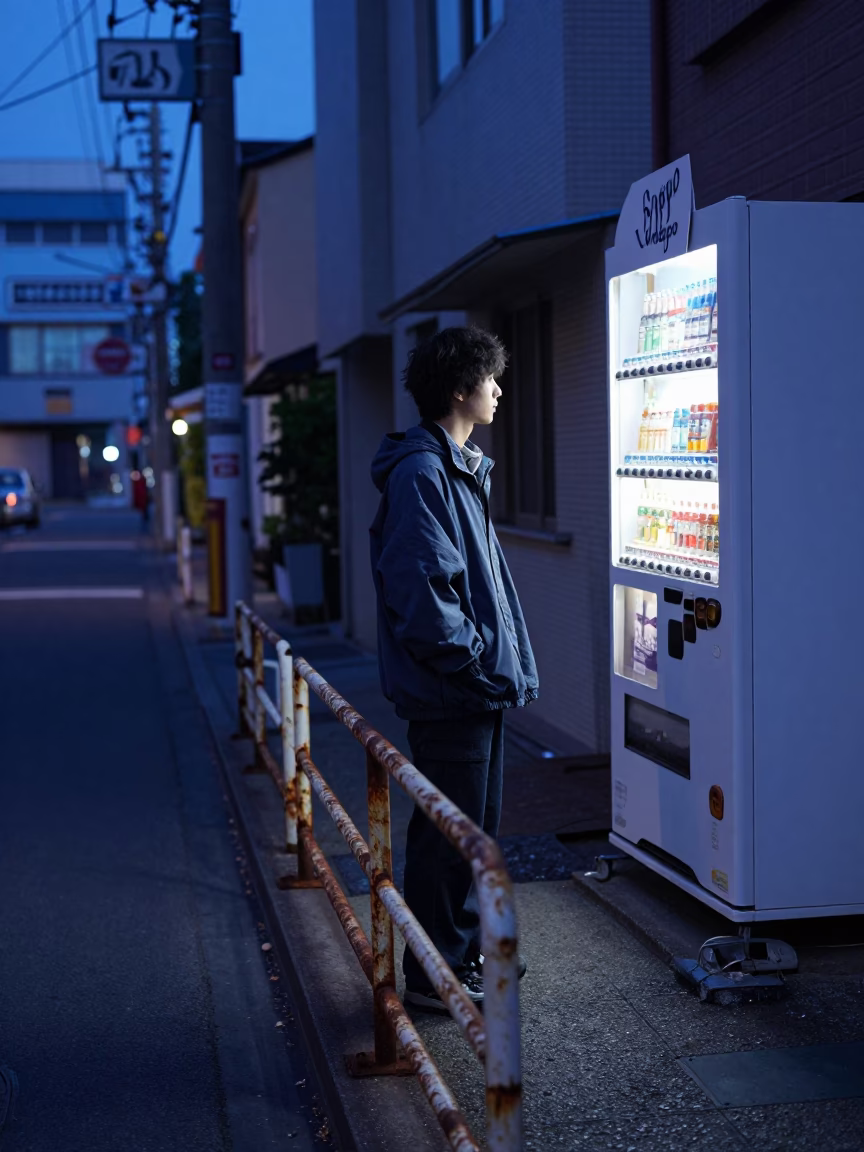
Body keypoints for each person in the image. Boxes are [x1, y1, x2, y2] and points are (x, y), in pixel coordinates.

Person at [369, 326, 538, 1012]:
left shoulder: (457, 466)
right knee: (450, 835)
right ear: (462, 389)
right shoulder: (425, 473)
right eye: (490, 379)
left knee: (471, 832)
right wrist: (473, 664)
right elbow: (421, 593)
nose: (498, 390)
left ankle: (460, 956)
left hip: (471, 687)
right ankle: (435, 976)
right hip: (453, 691)